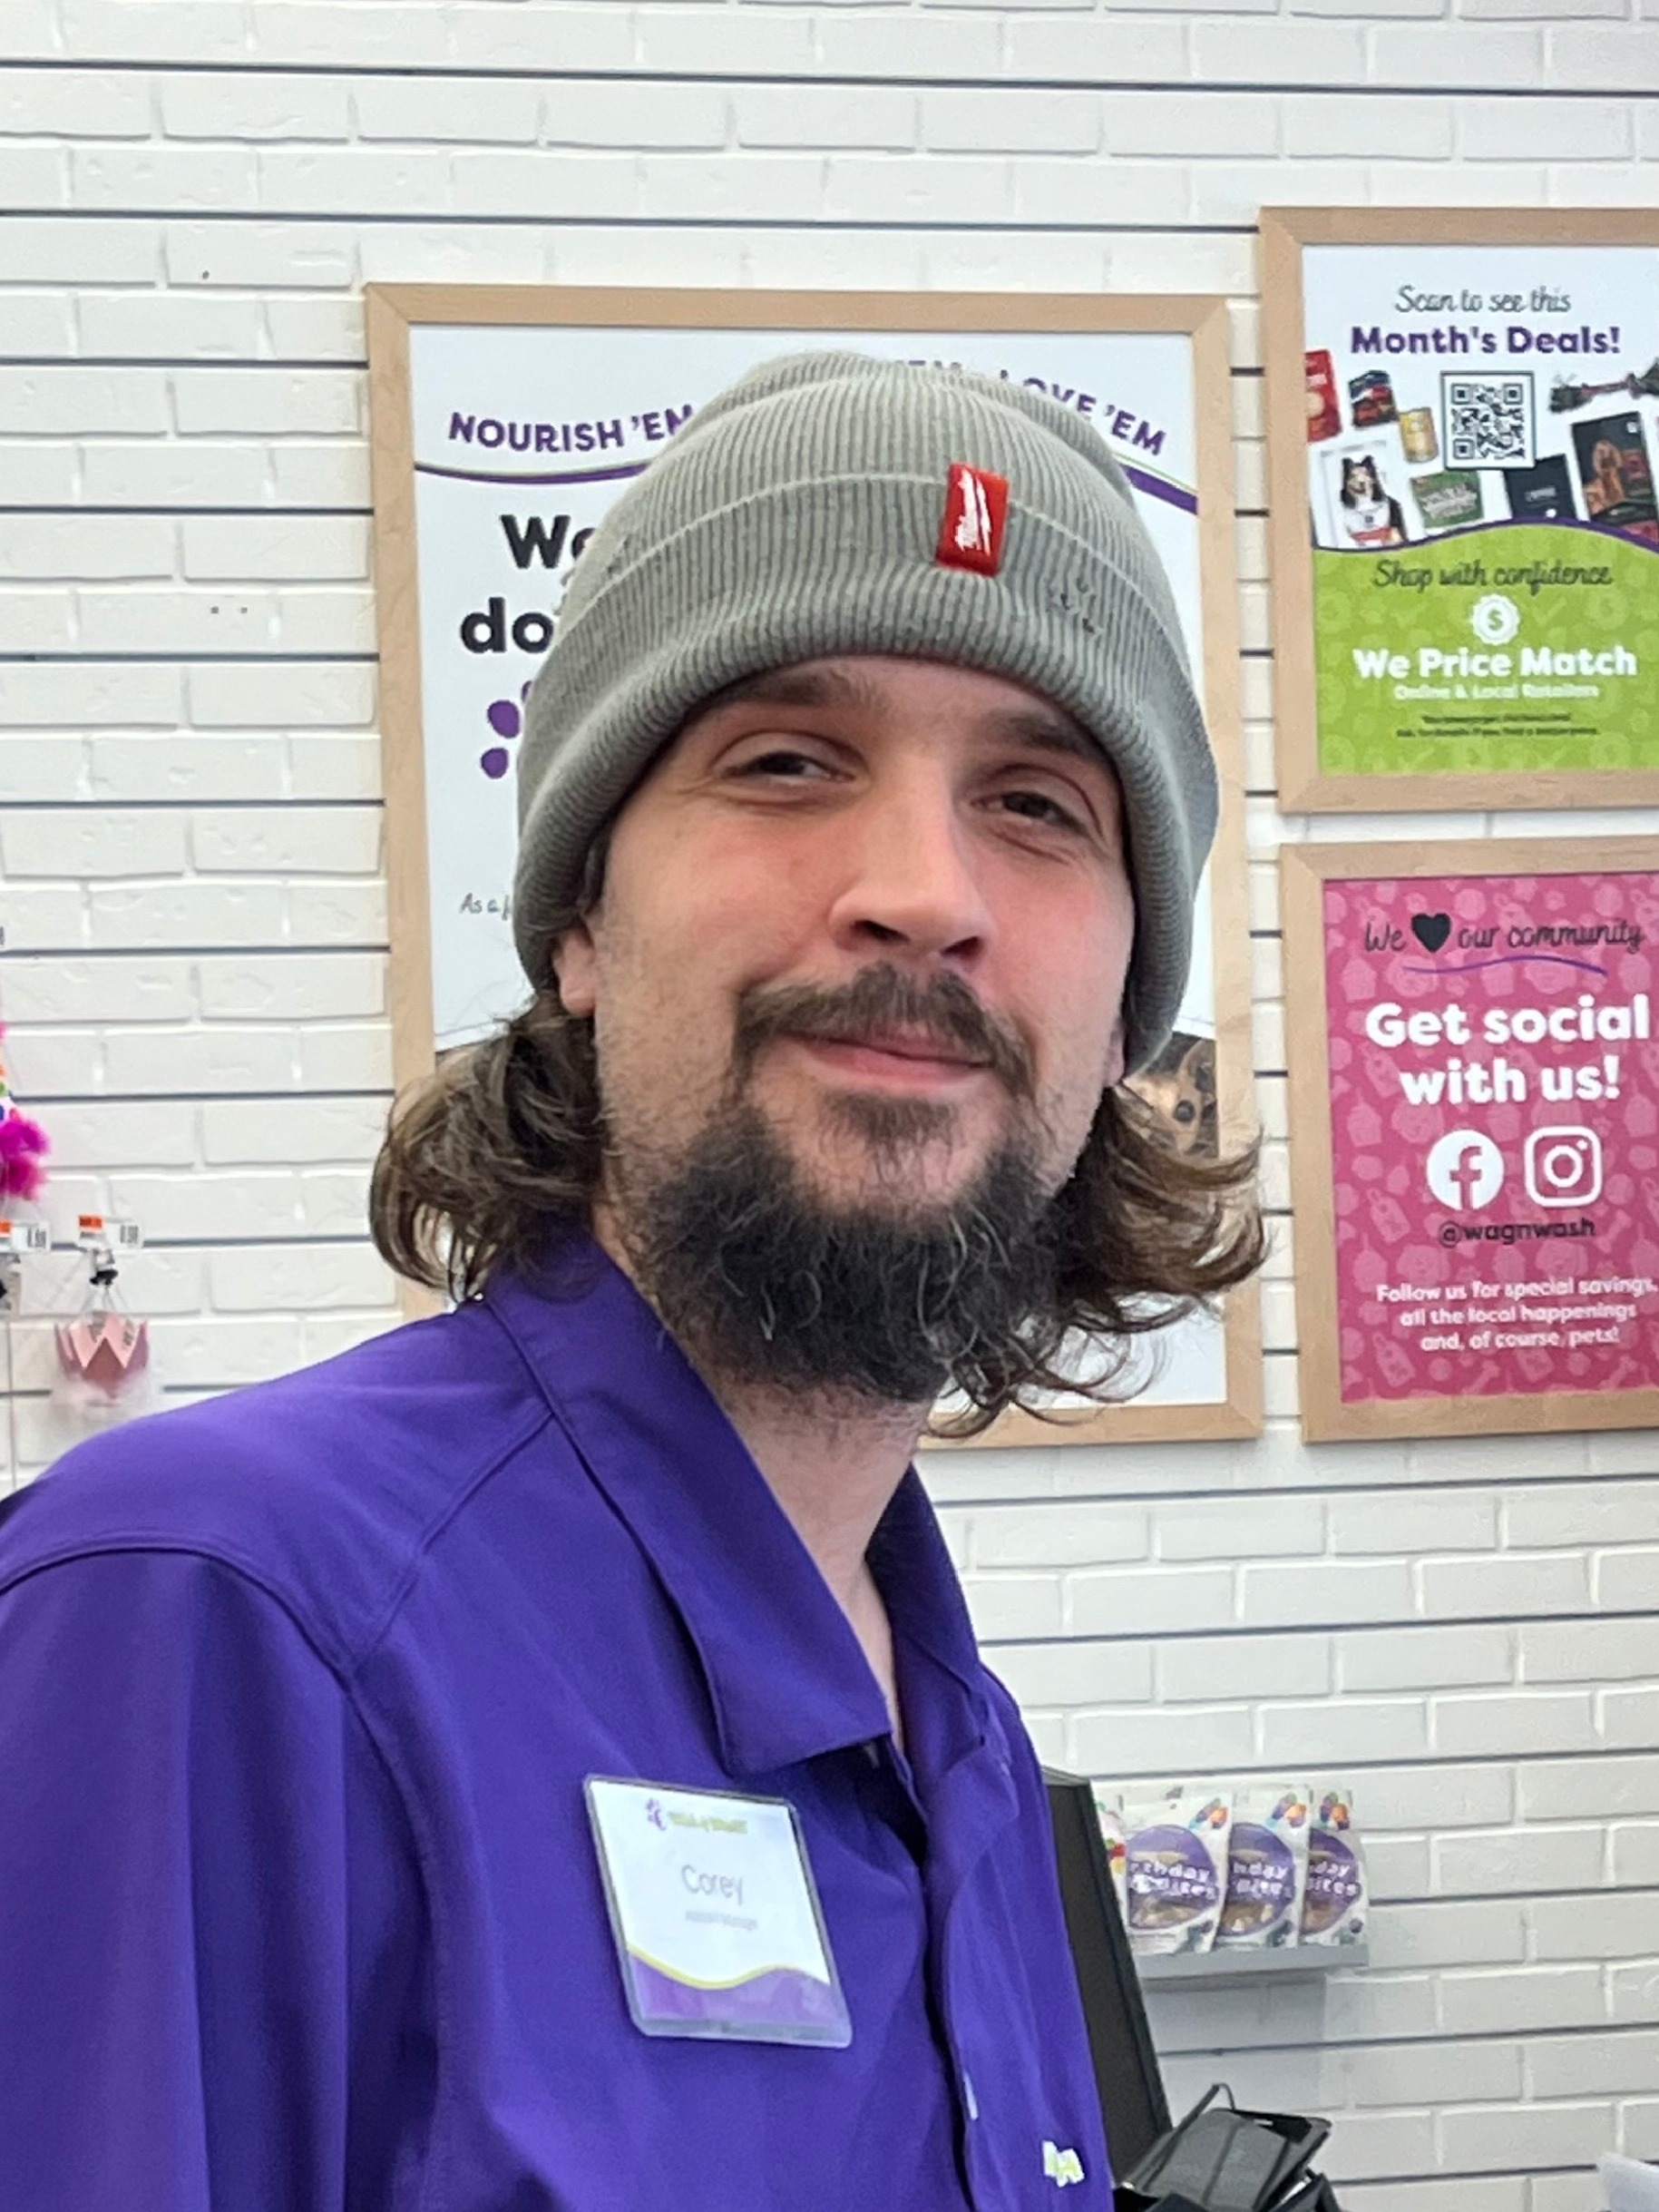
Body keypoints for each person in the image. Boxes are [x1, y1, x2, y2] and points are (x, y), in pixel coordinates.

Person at [0, 352, 1262, 2210]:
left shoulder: (961, 1743)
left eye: (1039, 803)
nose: (926, 889)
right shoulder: (217, 1614)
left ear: (1125, 989)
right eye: (788, 762)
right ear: (581, 918)